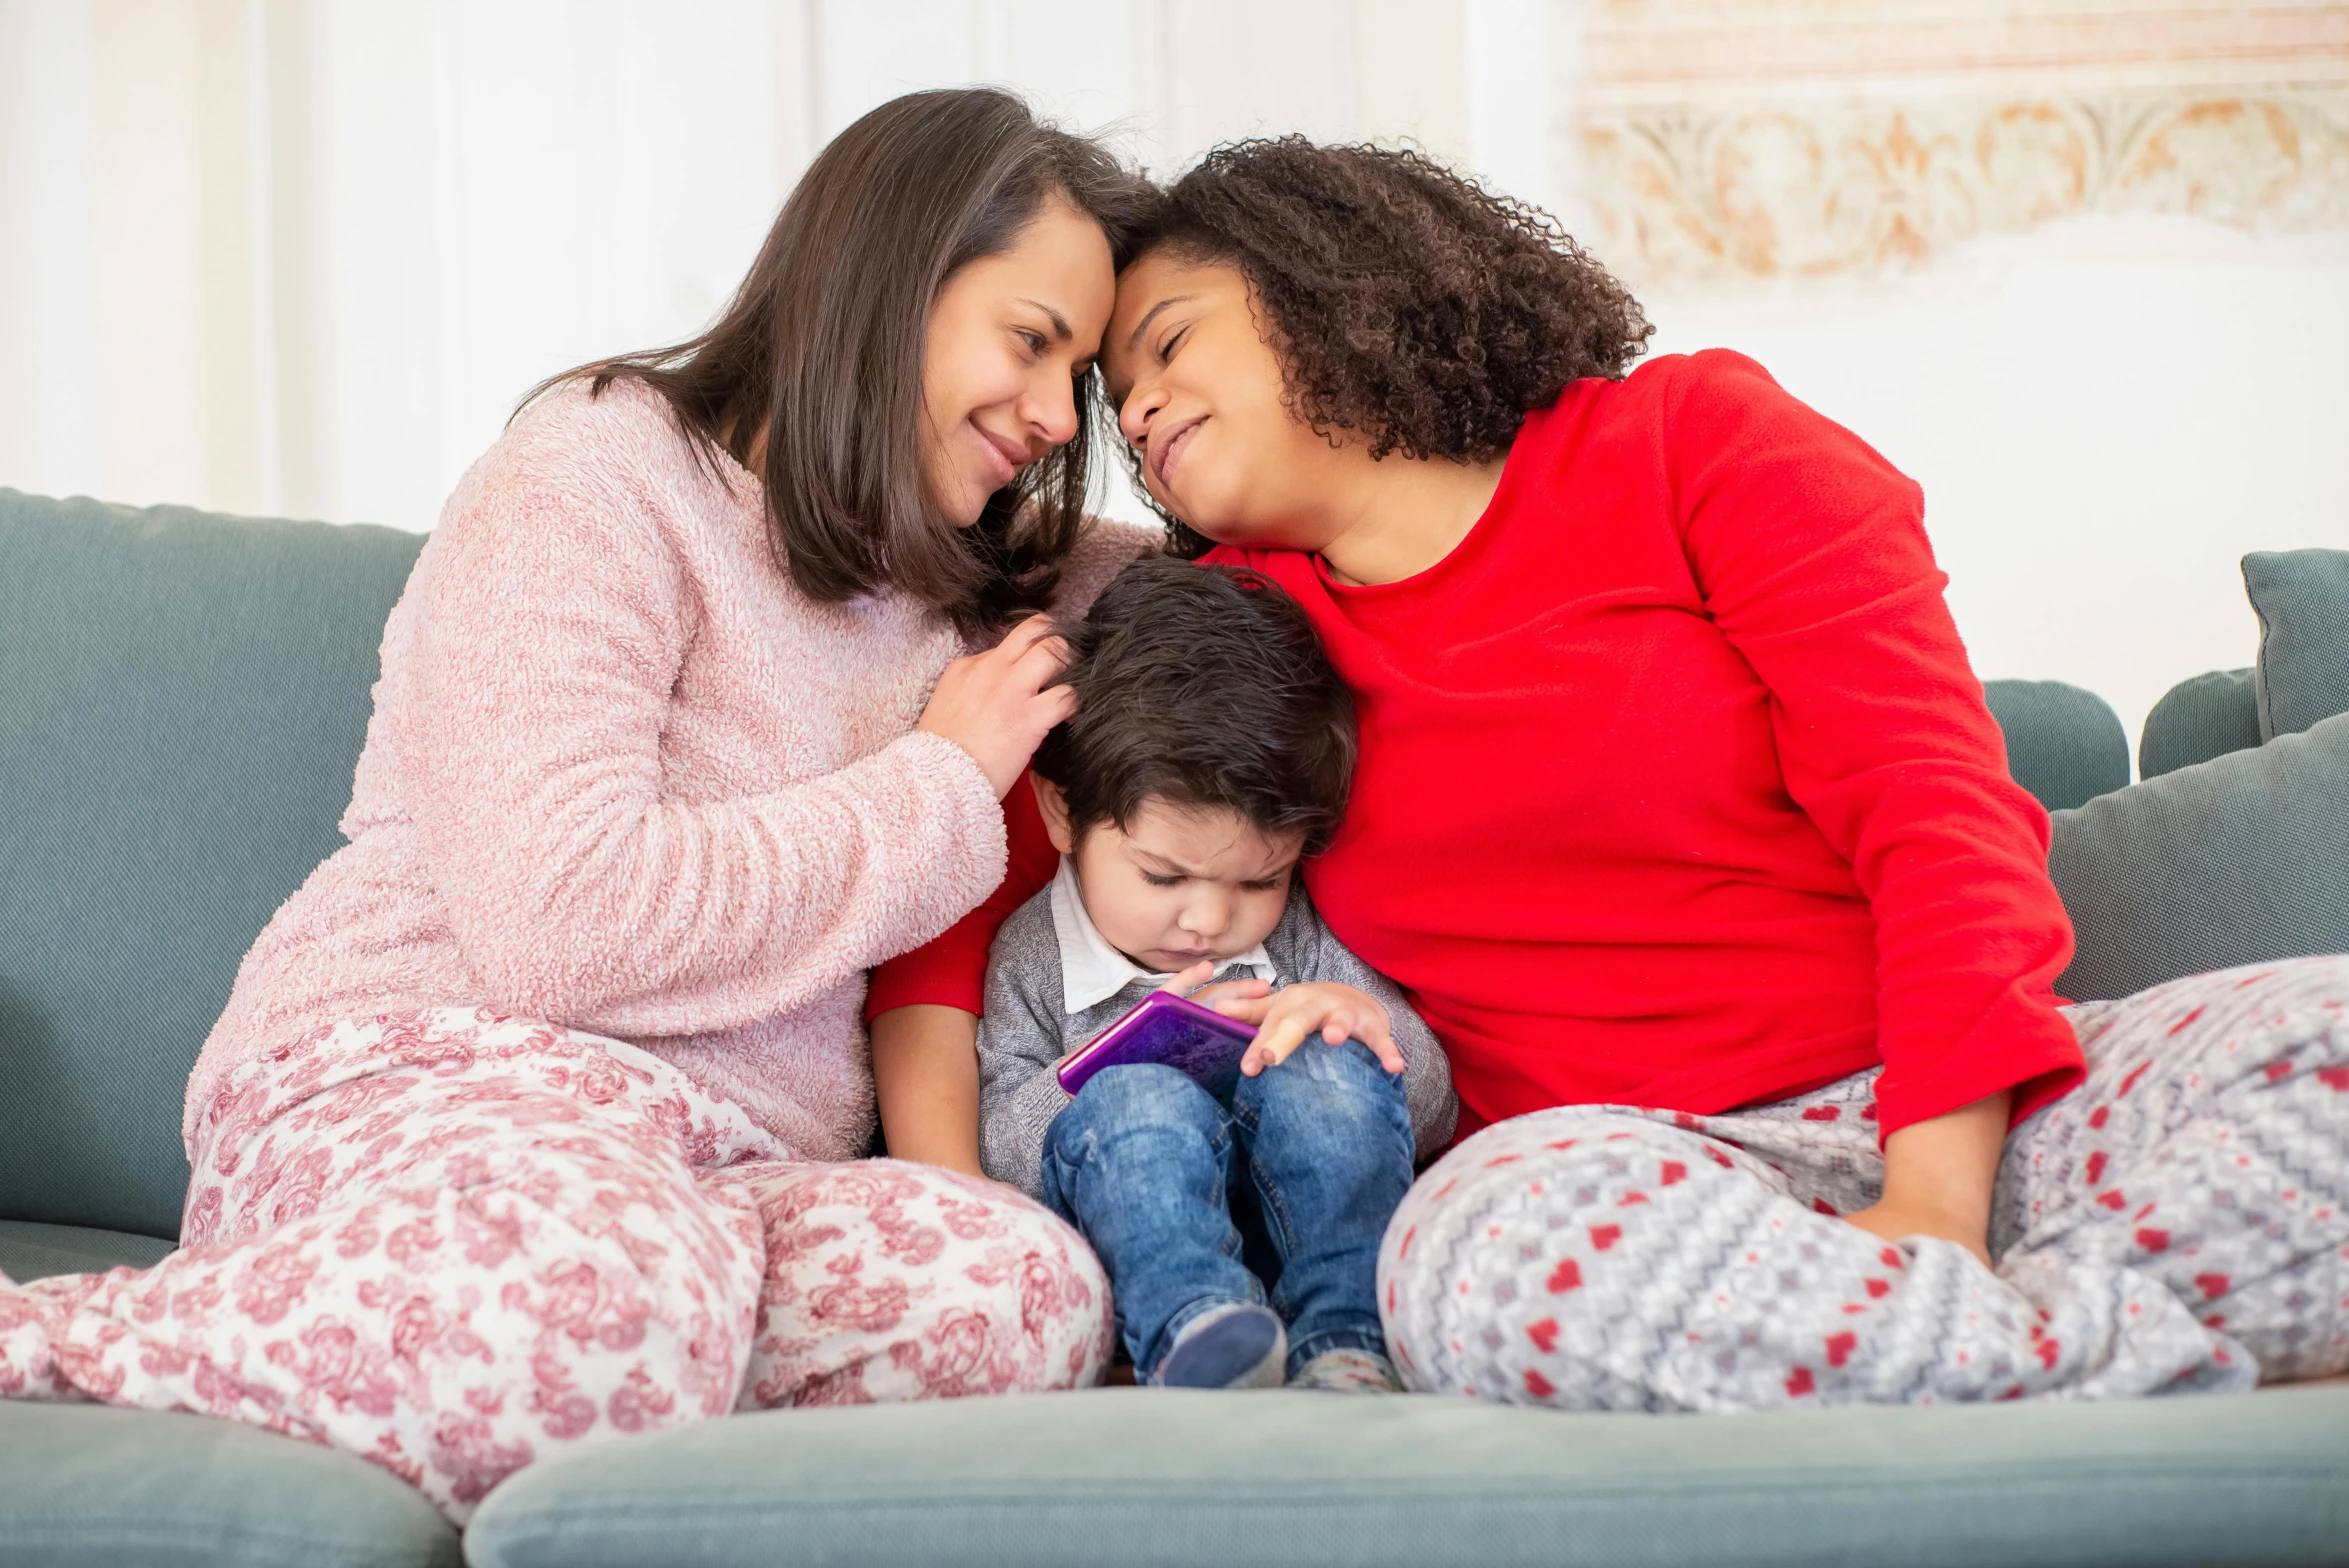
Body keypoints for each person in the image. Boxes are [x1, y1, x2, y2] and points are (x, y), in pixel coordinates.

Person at [886, 134, 2349, 1409]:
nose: (1128, 413)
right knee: (1475, 1273)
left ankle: (1932, 1343)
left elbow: (1936, 814)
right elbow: (993, 858)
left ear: (1326, 283)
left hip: (1961, 1114)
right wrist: (962, 1207)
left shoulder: (1694, 441)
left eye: (1166, 346)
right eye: (1109, 392)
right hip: (1607, 1178)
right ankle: (2150, 1352)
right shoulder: (1247, 628)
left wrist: (1933, 1204)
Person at [0, 89, 1158, 1520]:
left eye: (1082, 373)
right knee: (604, 1301)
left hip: (716, 1176)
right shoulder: (591, 476)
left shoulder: (982, 579)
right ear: (888, 281)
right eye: (1031, 341)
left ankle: (516, 1363)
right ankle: (52, 1339)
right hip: (439, 1074)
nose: (1055, 416)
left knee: (1020, 1290)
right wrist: (936, 784)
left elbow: (1258, 546)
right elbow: (561, 926)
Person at [971, 557, 1455, 1392]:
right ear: (1062, 814)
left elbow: (1431, 1111)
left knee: (1326, 1061)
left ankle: (1349, 1342)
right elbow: (1004, 1151)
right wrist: (1121, 1056)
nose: (1206, 921)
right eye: (1163, 878)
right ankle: (1199, 1334)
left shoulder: (1301, 934)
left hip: (1308, 1229)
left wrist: (1357, 1020)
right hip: (1147, 1251)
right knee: (1134, 1098)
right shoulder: (1034, 956)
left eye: (1257, 881)